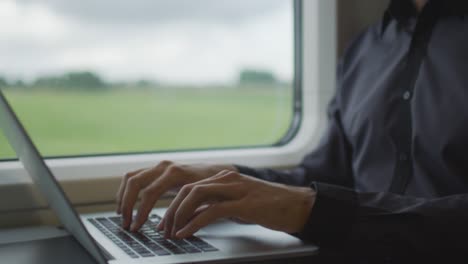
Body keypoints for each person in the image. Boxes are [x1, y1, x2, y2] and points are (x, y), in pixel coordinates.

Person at [116, 0, 468, 261]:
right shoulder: (367, 48)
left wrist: (312, 210)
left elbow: (318, 204)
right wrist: (231, 180)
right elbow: (327, 175)